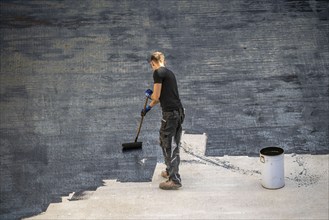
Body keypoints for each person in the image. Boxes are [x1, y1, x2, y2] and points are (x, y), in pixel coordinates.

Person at [141, 51, 185, 190]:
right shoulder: (168, 73)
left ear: (152, 62)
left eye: (151, 65)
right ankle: (169, 170)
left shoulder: (158, 73)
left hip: (170, 115)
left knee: (167, 144)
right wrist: (148, 108)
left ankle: (174, 179)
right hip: (178, 112)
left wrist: (149, 95)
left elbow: (156, 96)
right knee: (170, 142)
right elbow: (160, 97)